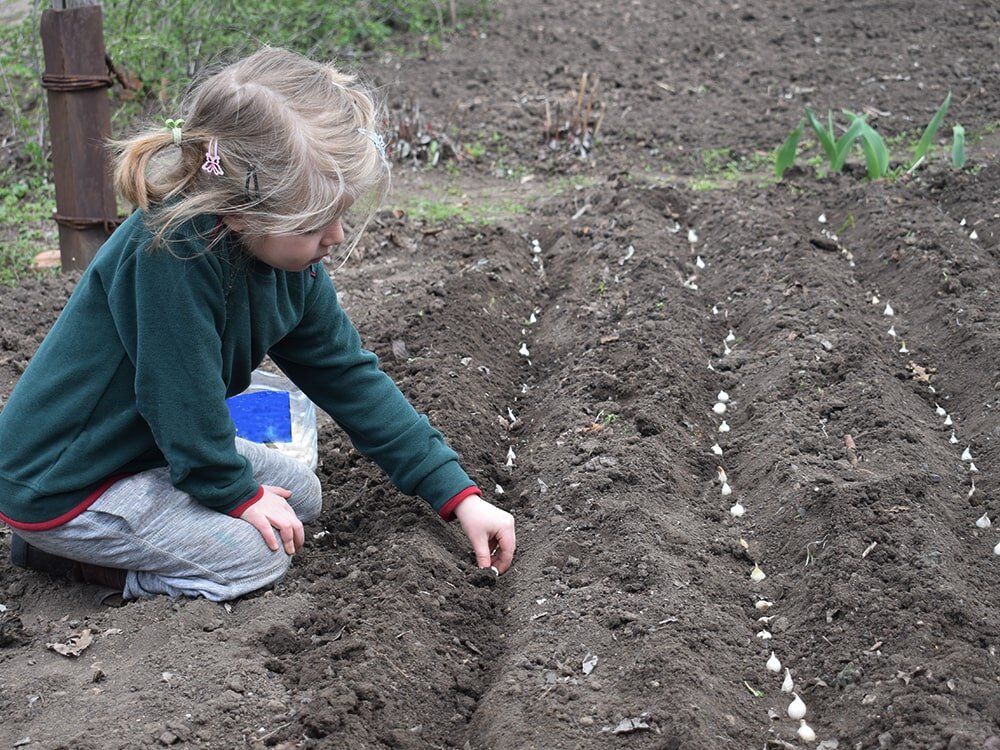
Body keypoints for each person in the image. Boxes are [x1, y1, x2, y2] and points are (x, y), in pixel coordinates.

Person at [0, 47, 515, 603]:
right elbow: (181, 398)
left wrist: (458, 494)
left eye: (341, 215)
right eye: (318, 220)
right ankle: (65, 557)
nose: (336, 236)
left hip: (147, 451)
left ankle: (154, 522)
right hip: (65, 481)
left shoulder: (288, 265)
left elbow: (350, 377)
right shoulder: (171, 255)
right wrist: (234, 494)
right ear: (243, 208)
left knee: (302, 496)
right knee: (255, 557)